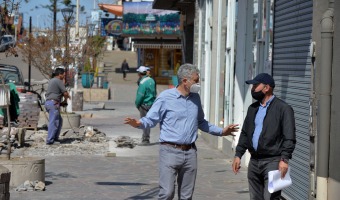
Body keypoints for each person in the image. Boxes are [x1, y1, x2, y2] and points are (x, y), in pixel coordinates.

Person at [125, 64, 239, 199]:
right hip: (169, 151)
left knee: (186, 196)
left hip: (190, 153)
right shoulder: (165, 97)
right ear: (185, 81)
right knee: (167, 193)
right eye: (196, 80)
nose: (198, 83)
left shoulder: (195, 98)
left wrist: (221, 132)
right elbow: (151, 119)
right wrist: (138, 123)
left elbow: (201, 122)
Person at [232, 73, 296, 200]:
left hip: (273, 162)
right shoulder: (252, 108)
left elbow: (289, 137)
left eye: (256, 85)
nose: (253, 89)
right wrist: (238, 154)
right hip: (254, 162)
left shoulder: (283, 109)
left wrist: (284, 159)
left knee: (271, 198)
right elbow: (245, 133)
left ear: (266, 88)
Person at [45, 68, 70, 145]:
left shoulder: (52, 80)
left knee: (59, 120)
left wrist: (61, 102)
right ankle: (50, 140)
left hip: (49, 103)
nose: (64, 76)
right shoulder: (58, 81)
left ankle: (55, 138)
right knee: (54, 122)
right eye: (63, 75)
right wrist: (66, 99)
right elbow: (65, 93)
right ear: (60, 74)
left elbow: (55, 93)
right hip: (53, 104)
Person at [135, 66, 156, 145]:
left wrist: (137, 104)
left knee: (144, 122)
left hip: (144, 104)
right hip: (151, 103)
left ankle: (145, 139)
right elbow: (154, 93)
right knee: (148, 121)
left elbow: (140, 96)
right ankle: (146, 137)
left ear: (140, 74)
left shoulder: (143, 82)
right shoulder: (152, 80)